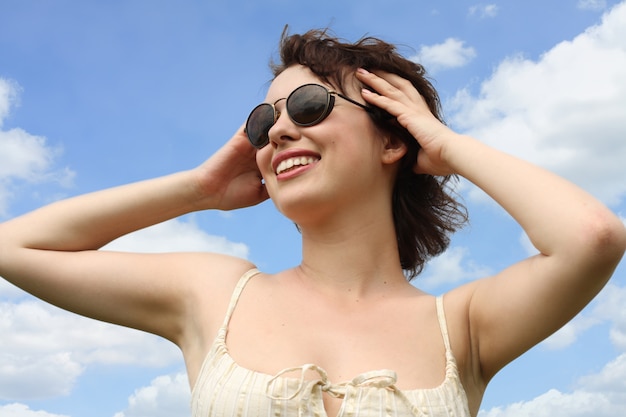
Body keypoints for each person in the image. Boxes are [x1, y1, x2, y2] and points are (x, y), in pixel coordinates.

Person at [0, 28, 624, 417]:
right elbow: (15, 246)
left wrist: (446, 144)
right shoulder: (216, 294)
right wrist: (198, 189)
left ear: (392, 141)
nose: (277, 131)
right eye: (261, 123)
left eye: (308, 105)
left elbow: (591, 238)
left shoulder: (461, 325)